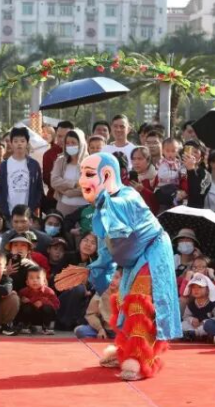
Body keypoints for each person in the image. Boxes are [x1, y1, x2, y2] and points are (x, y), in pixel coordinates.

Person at [54, 152, 181, 381]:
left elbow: (121, 209)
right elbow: (105, 250)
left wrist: (107, 201)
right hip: (132, 261)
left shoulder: (126, 196)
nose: (82, 180)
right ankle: (126, 351)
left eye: (89, 174)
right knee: (123, 301)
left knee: (139, 304)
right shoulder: (101, 208)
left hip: (152, 252)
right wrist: (91, 270)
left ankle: (139, 359)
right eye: (82, 174)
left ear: (107, 175)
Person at [0, 125, 43, 219]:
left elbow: (39, 189)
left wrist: (33, 207)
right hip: (9, 213)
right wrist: (4, 209)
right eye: (16, 141)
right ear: (11, 143)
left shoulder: (33, 165)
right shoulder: (4, 165)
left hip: (28, 214)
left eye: (22, 141)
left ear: (27, 143)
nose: (19, 144)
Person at [50, 128, 89, 218]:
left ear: (81, 144)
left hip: (84, 208)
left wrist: (69, 193)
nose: (70, 145)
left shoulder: (89, 162)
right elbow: (54, 181)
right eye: (67, 143)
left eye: (73, 143)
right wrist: (74, 184)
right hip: (63, 207)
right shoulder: (60, 161)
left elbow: (89, 186)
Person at [75, 266, 121, 340]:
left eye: (116, 278)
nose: (112, 280)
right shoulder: (102, 291)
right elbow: (91, 314)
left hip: (122, 331)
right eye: (111, 277)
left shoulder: (128, 293)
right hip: (106, 329)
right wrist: (100, 329)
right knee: (80, 330)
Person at [15, 265, 60, 335]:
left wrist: (44, 301)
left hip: (43, 316)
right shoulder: (23, 292)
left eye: (38, 278)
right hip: (31, 316)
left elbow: (56, 305)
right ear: (27, 282)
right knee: (26, 307)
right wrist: (22, 301)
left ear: (44, 281)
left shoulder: (49, 291)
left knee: (47, 308)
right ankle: (25, 326)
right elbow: (16, 305)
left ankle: (47, 327)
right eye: (31, 278)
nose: (35, 280)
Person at [181, 272, 215, 341]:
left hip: (206, 327)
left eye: (200, 287)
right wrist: (191, 320)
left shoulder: (214, 303)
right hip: (195, 326)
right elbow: (185, 316)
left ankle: (195, 334)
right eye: (193, 287)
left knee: (208, 325)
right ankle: (193, 334)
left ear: (207, 290)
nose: (196, 290)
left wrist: (205, 322)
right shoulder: (191, 304)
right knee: (183, 325)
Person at [155, 137, 185, 211]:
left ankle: (176, 200)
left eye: (173, 151)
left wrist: (183, 171)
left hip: (175, 187)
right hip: (164, 187)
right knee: (163, 208)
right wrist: (175, 173)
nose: (170, 154)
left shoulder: (178, 162)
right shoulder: (162, 162)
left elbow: (182, 170)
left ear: (177, 151)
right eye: (167, 151)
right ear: (163, 151)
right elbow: (162, 174)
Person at [127, 146, 159, 212]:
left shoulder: (156, 177)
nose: (136, 162)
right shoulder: (128, 177)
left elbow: (157, 203)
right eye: (133, 159)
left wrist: (143, 190)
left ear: (148, 160)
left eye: (140, 159)